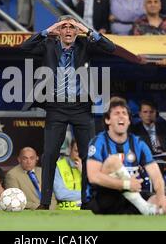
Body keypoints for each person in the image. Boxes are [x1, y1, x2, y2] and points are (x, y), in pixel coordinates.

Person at [21, 15, 115, 210]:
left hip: (81, 108)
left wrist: (88, 31)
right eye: (64, 27)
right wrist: (48, 30)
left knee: (88, 155)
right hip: (56, 107)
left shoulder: (85, 45)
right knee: (49, 155)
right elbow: (25, 47)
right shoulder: (48, 45)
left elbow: (110, 48)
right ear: (59, 31)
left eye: (72, 27)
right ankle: (45, 203)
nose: (68, 31)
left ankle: (87, 202)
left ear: (77, 30)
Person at [54, 139, 82, 210]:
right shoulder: (59, 166)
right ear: (70, 150)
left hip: (86, 211)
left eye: (82, 151)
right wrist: (85, 195)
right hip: (64, 212)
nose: (79, 155)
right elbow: (60, 194)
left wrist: (83, 172)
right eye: (76, 151)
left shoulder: (90, 166)